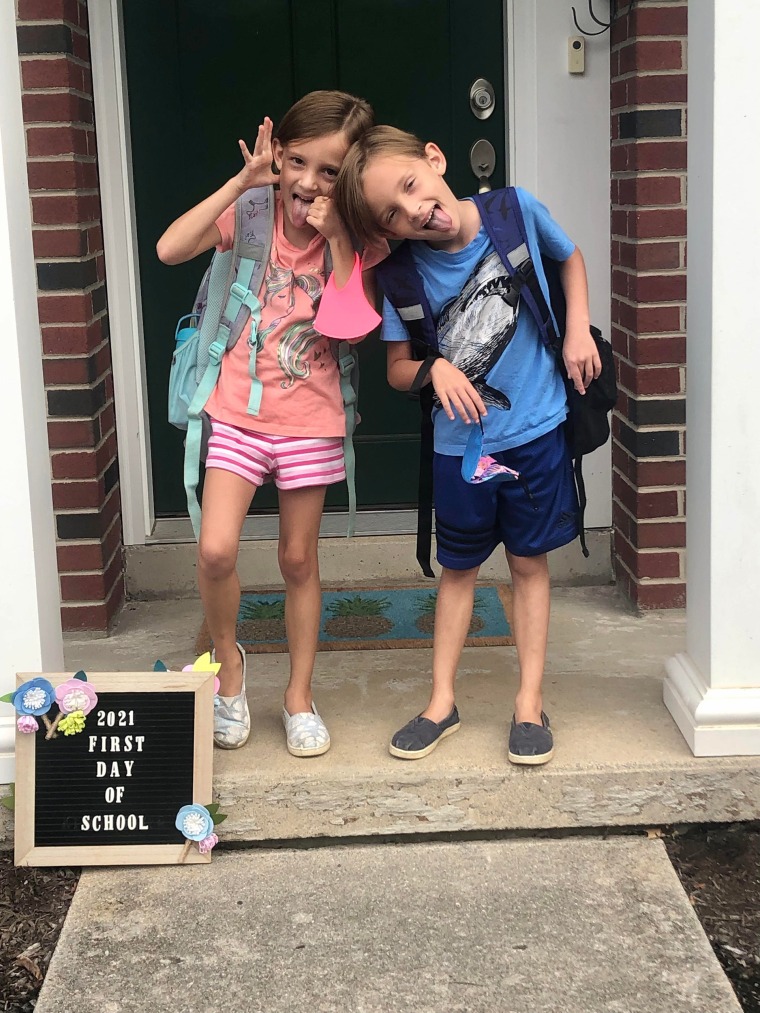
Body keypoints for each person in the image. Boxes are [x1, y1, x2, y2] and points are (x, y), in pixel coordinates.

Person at [334, 126, 600, 765]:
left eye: (409, 187)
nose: (413, 211)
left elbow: (569, 257)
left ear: (434, 160)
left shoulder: (514, 211)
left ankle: (529, 703)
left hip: (535, 429)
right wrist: (435, 370)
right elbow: (399, 367)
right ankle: (441, 701)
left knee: (530, 564)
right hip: (461, 449)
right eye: (392, 216)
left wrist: (578, 329)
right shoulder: (401, 276)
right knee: (458, 572)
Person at [156, 91, 383, 755]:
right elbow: (171, 248)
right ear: (278, 154)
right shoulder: (252, 210)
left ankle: (299, 693)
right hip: (237, 413)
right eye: (298, 160)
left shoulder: (357, 238)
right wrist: (241, 181)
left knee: (297, 557)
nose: (309, 182)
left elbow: (350, 328)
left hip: (311, 420)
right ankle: (230, 667)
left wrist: (339, 233)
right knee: (216, 549)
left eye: (331, 172)